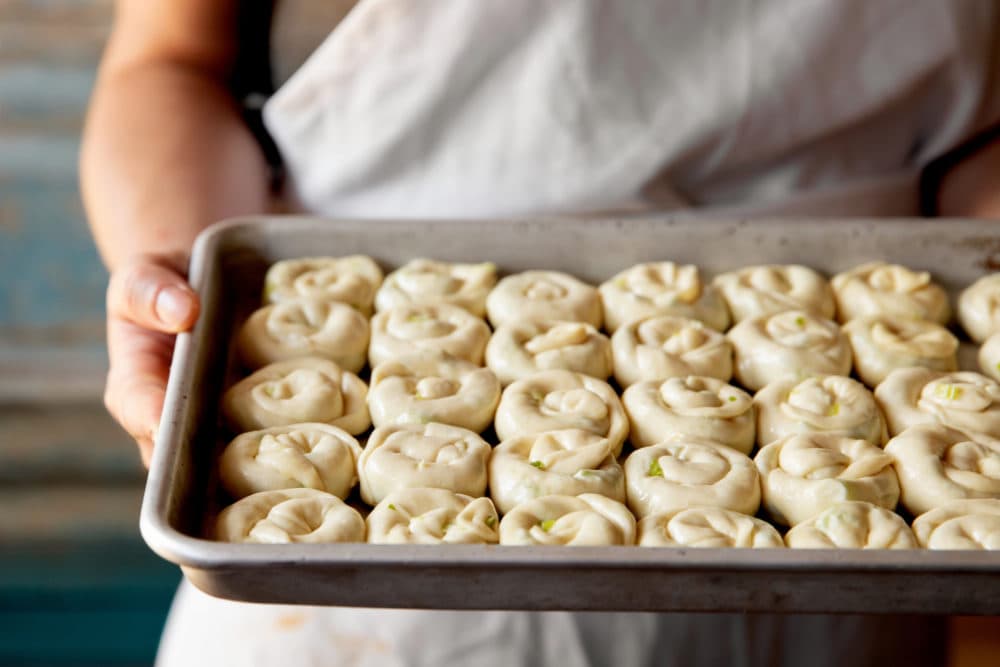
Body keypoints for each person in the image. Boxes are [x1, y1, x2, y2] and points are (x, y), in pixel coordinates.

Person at [82, 1, 1000, 665]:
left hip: (846, 564)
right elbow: (172, 58)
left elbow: (980, 137)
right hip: (347, 582)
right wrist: (185, 287)